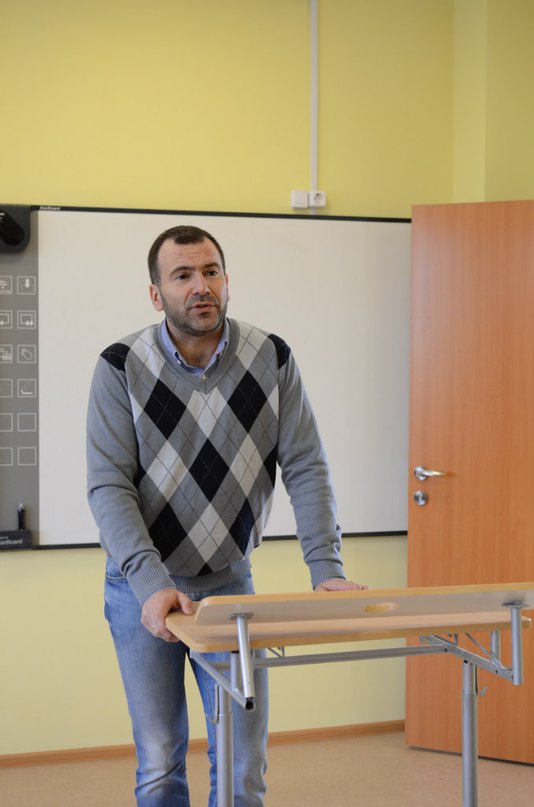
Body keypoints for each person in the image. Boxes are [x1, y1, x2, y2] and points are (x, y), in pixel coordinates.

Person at [86, 224, 366, 807]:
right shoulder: (120, 366)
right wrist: (152, 585)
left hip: (229, 585)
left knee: (242, 758)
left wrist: (326, 568)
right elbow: (109, 486)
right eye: (182, 275)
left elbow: (306, 465)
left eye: (211, 271)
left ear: (226, 279)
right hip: (141, 588)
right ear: (156, 294)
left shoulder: (271, 357)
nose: (201, 286)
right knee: (160, 759)